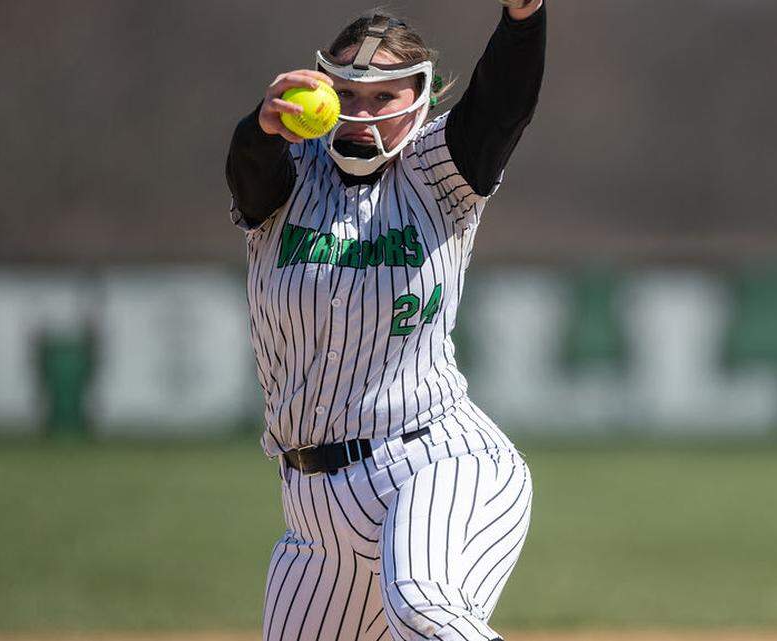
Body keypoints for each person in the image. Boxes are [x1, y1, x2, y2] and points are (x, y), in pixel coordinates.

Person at [224, 1, 546, 639]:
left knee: (424, 609)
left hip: (436, 466)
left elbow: (500, 106)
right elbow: (248, 171)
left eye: (383, 97)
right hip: (313, 510)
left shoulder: (437, 169)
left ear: (420, 100)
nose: (362, 113)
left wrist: (523, 17)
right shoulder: (292, 175)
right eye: (347, 94)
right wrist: (262, 127)